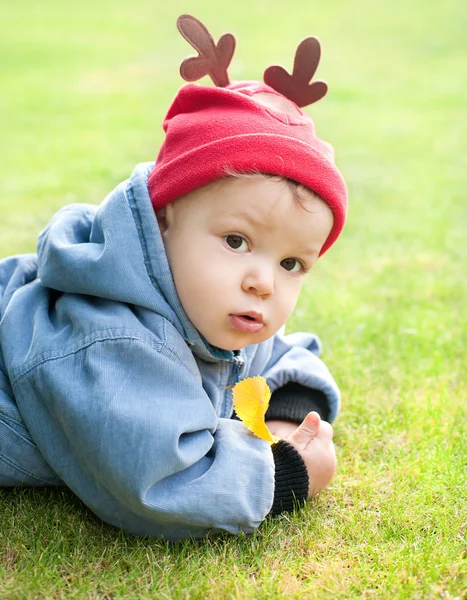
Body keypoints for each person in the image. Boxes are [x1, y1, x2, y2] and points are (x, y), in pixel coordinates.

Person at [0, 15, 347, 540]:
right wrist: (284, 474)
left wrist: (289, 417)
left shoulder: (218, 307)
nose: (263, 282)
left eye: (291, 263)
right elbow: (160, 483)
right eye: (236, 242)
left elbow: (279, 353)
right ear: (162, 222)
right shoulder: (114, 339)